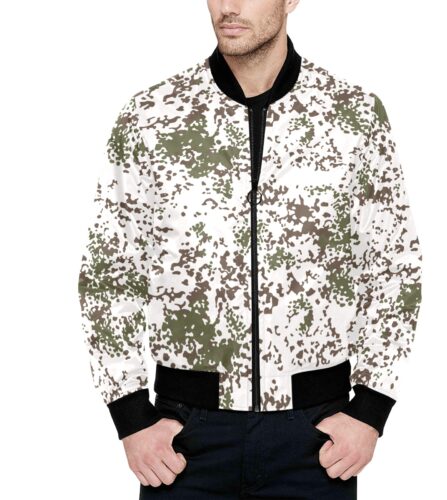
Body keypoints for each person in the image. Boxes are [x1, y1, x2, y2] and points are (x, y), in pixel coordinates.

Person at [77, 0, 423, 498]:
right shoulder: (151, 117)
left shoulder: (353, 116)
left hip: (316, 440)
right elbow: (110, 272)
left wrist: (370, 409)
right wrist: (130, 415)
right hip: (185, 441)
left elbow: (393, 266)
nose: (229, 6)